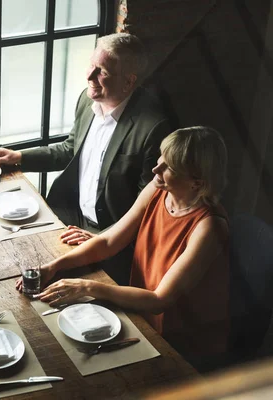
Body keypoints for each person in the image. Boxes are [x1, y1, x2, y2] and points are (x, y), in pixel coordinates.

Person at [20, 127, 229, 364]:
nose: (155, 169)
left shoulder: (209, 227)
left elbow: (160, 300)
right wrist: (54, 266)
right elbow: (109, 241)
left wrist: (87, 286)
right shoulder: (158, 189)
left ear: (196, 182)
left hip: (181, 336)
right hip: (139, 308)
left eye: (168, 167)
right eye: (160, 158)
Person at [0, 33, 172, 248]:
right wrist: (18, 157)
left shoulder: (153, 129)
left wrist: (102, 239)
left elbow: (148, 204)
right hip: (69, 215)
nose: (90, 76)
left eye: (102, 71)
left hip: (108, 235)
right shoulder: (88, 99)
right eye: (91, 65)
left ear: (128, 81)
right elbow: (70, 150)